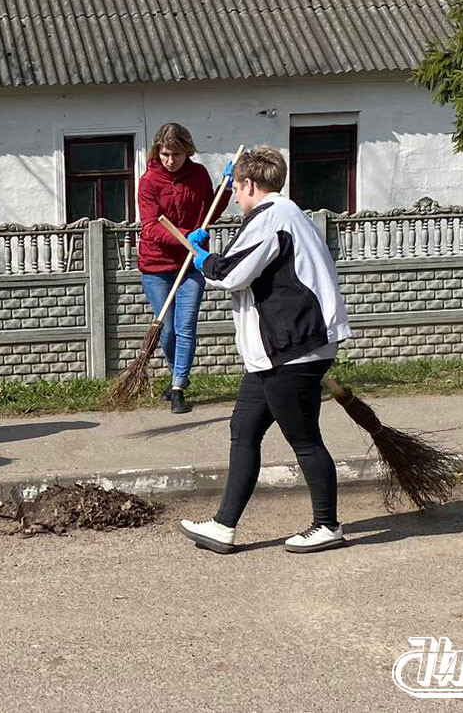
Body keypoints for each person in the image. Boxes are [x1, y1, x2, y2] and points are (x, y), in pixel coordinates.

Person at [177, 145, 352, 554]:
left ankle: (327, 525)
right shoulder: (284, 214)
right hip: (281, 349)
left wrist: (201, 256)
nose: (235, 197)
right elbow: (249, 263)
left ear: (250, 184)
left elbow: (233, 274)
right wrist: (212, 255)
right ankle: (223, 525)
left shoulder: (271, 218)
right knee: (244, 430)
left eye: (236, 188)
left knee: (304, 438)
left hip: (293, 347)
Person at [136, 122, 231, 414]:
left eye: (176, 154)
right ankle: (175, 370)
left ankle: (178, 384)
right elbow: (150, 226)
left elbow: (209, 211)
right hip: (156, 264)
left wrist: (225, 189)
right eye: (165, 154)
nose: (170, 160)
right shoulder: (149, 181)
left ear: (186, 151)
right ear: (158, 151)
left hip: (191, 263)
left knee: (186, 325)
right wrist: (185, 236)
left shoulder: (198, 174)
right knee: (167, 331)